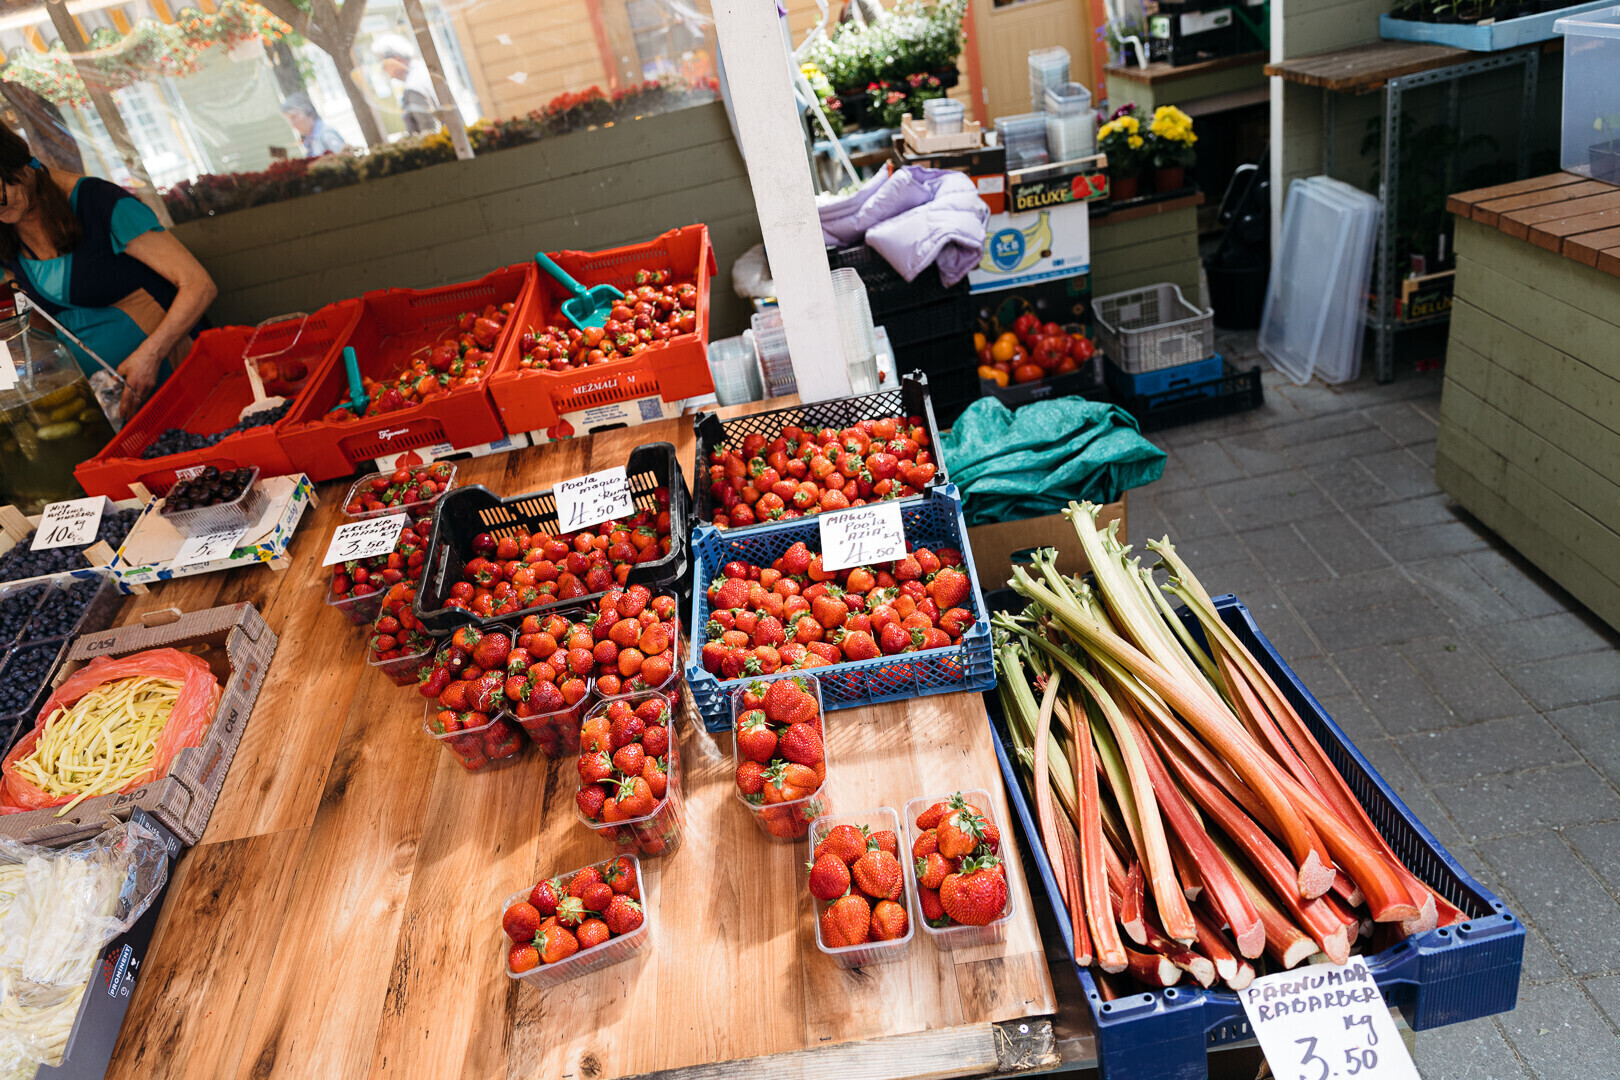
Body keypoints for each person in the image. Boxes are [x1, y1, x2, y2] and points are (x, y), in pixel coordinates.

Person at [0, 127, 216, 421]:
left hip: (178, 377)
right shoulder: (6, 230)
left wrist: (150, 356)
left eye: (1, 196)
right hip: (111, 405)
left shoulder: (99, 201)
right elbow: (38, 322)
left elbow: (198, 285)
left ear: (20, 165)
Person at [372, 34, 440, 136]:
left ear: (396, 60)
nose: (383, 69)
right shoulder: (423, 70)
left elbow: (430, 132)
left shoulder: (413, 86)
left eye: (383, 64)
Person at [281, 93, 348, 158]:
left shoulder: (327, 135)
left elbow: (345, 161)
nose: (292, 125)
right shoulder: (310, 141)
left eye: (294, 117)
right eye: (289, 120)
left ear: (309, 112)